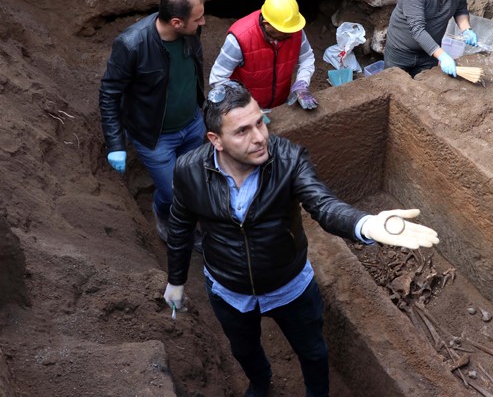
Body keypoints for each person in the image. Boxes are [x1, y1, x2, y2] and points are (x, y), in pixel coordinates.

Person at [163, 82, 439, 397]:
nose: (259, 137)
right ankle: (260, 380)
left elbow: (323, 205)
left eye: (259, 122)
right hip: (229, 290)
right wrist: (176, 280)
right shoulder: (189, 170)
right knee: (244, 349)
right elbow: (180, 225)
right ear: (216, 140)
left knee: (313, 351)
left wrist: (364, 223)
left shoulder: (289, 159)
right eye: (242, 131)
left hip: (289, 286)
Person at [99, 0, 206, 244]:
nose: (203, 22)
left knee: (194, 181)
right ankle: (165, 216)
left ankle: (194, 223)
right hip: (156, 137)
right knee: (172, 194)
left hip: (193, 124)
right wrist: (115, 143)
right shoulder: (132, 45)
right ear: (177, 22)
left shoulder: (190, 33)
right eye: (198, 17)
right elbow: (110, 92)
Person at [209, 0, 318, 112]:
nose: (290, 35)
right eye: (284, 31)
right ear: (267, 24)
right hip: (248, 107)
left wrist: (302, 83)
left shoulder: (293, 29)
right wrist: (244, 105)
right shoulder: (239, 38)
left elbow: (307, 58)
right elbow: (218, 78)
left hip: (280, 101)